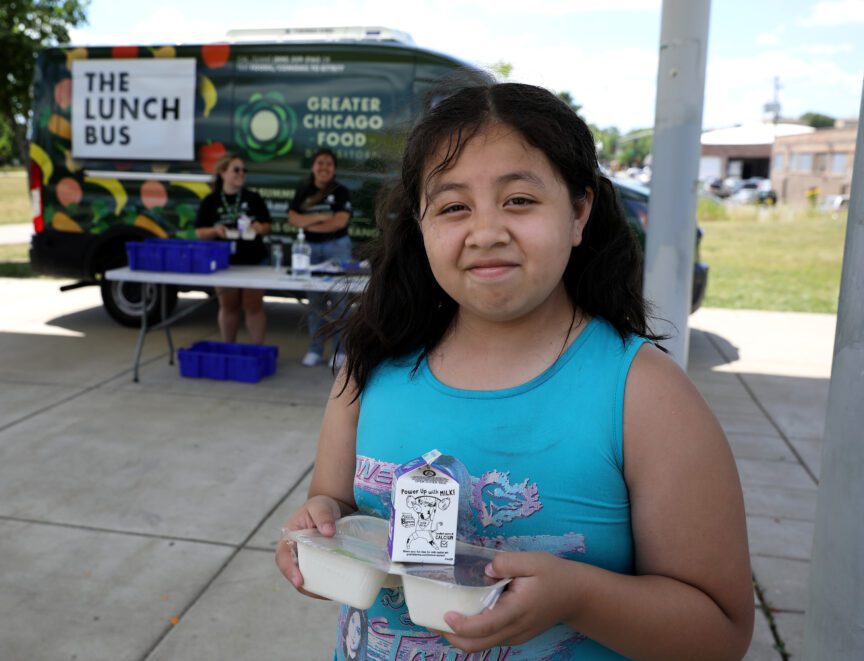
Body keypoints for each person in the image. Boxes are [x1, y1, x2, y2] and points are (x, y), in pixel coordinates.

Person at [276, 80, 754, 659]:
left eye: (519, 200)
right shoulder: (368, 371)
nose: (486, 232)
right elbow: (334, 502)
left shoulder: (644, 395)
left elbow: (720, 634)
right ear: (421, 226)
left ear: (579, 213)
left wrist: (578, 597)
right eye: (454, 207)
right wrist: (323, 528)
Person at [287, 148, 354, 368]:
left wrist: (308, 221)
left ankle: (340, 351)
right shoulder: (303, 190)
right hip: (309, 250)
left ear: (333, 169)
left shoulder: (341, 190)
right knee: (314, 302)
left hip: (337, 247)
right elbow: (293, 219)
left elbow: (339, 222)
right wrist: (319, 216)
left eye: (328, 164)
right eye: (320, 163)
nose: (324, 167)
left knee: (338, 301)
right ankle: (315, 350)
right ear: (313, 167)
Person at [195, 154, 273, 344]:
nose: (241, 174)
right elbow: (199, 232)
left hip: (254, 260)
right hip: (224, 263)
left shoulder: (253, 198)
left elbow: (268, 226)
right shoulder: (211, 201)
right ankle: (229, 347)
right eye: (236, 170)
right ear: (222, 173)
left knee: (253, 306)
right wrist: (215, 230)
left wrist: (258, 228)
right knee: (228, 306)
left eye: (243, 170)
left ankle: (257, 349)